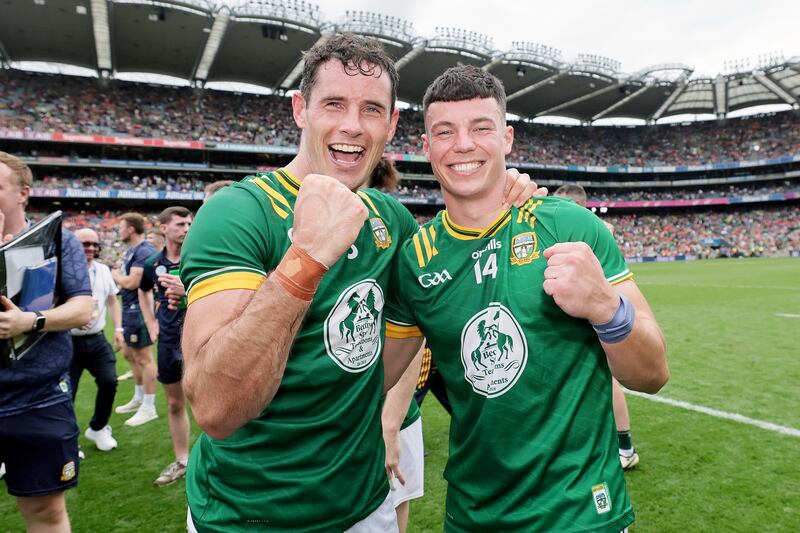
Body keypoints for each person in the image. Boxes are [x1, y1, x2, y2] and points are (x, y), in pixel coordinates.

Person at [180, 34, 541, 532]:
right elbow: (216, 409)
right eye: (334, 104)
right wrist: (306, 257)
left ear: (391, 123)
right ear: (300, 109)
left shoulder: (391, 221)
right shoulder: (240, 213)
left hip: (366, 504)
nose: (352, 126)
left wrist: (506, 196)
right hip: (246, 515)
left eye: (372, 109)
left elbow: (429, 313)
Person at [382, 66, 669, 532]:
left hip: (582, 515)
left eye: (481, 128)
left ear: (507, 138)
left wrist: (605, 309)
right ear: (426, 146)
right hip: (474, 516)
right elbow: (376, 378)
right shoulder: (415, 260)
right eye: (445, 132)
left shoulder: (570, 226)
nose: (463, 144)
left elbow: (653, 373)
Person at [0, 151, 93, 532]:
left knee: (45, 514)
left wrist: (31, 320)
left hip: (37, 398)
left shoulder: (60, 242)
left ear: (23, 193)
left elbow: (83, 309)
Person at [554, 183, 640, 470]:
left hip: (594, 312)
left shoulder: (594, 230)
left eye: (562, 205)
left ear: (578, 206)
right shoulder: (571, 227)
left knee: (609, 380)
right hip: (572, 313)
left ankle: (625, 446)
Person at [368, 158, 425, 532]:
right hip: (332, 419)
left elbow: (412, 331)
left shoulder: (393, 225)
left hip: (392, 415)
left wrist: (390, 423)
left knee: (395, 507)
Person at [137, 206, 192, 486]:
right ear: (164, 228)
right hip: (169, 339)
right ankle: (183, 460)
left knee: (213, 401)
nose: (186, 228)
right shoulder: (152, 265)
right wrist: (151, 322)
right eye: (180, 224)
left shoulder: (202, 256)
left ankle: (220, 460)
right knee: (174, 403)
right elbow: (143, 289)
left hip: (202, 336)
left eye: (189, 223)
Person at [70, 228, 124, 453]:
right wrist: (72, 317)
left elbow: (112, 300)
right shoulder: (63, 270)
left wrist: (119, 328)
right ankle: (69, 440)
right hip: (67, 341)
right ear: (74, 245)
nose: (90, 248)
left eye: (94, 244)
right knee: (66, 393)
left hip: (97, 339)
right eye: (85, 244)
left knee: (109, 381)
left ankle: (99, 427)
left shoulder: (102, 270)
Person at [112, 213, 158, 427]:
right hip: (130, 308)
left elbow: (132, 282)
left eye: (121, 227)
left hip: (140, 309)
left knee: (144, 357)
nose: (119, 231)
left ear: (130, 229)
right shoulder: (132, 251)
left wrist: (115, 277)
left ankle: (149, 406)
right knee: (130, 353)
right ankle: (139, 397)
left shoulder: (144, 251)